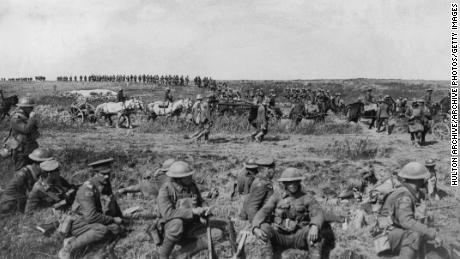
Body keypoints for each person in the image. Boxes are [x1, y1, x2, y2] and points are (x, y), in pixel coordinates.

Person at [252, 168, 325, 259]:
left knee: (315, 231)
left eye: (295, 182)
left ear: (299, 182)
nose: (292, 185)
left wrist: (315, 226)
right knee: (263, 228)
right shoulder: (277, 196)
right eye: (289, 182)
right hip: (280, 236)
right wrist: (255, 227)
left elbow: (318, 213)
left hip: (298, 236)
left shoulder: (307, 197)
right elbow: (264, 211)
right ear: (284, 183)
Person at [58, 158, 123, 259]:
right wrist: (113, 219)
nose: (106, 176)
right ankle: (68, 248)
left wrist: (121, 218)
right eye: (103, 174)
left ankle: (89, 243)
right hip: (79, 222)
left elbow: (112, 201)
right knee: (102, 230)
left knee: (116, 229)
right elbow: (91, 217)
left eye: (108, 173)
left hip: (93, 218)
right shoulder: (87, 190)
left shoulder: (104, 183)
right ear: (95, 173)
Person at [157, 161, 224, 259]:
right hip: (171, 229)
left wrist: (205, 210)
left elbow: (201, 201)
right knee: (177, 224)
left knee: (217, 234)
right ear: (178, 179)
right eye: (187, 176)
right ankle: (163, 256)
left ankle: (181, 254)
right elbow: (167, 213)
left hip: (192, 226)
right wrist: (192, 211)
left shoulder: (192, 186)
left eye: (190, 175)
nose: (191, 177)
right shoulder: (166, 190)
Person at [376, 162, 443, 259]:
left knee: (421, 232)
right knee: (414, 235)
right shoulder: (404, 195)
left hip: (390, 233)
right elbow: (406, 221)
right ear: (419, 180)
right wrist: (432, 233)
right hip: (382, 239)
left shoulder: (408, 192)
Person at [0, 148, 52, 214]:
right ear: (38, 163)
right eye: (47, 163)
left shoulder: (42, 172)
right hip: (12, 202)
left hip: (26, 199)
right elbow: (12, 194)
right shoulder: (22, 175)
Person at [9, 96, 40, 170]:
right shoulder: (16, 119)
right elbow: (26, 129)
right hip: (21, 151)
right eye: (30, 107)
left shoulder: (27, 117)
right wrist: (32, 119)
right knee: (21, 171)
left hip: (30, 149)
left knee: (33, 171)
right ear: (23, 107)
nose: (32, 109)